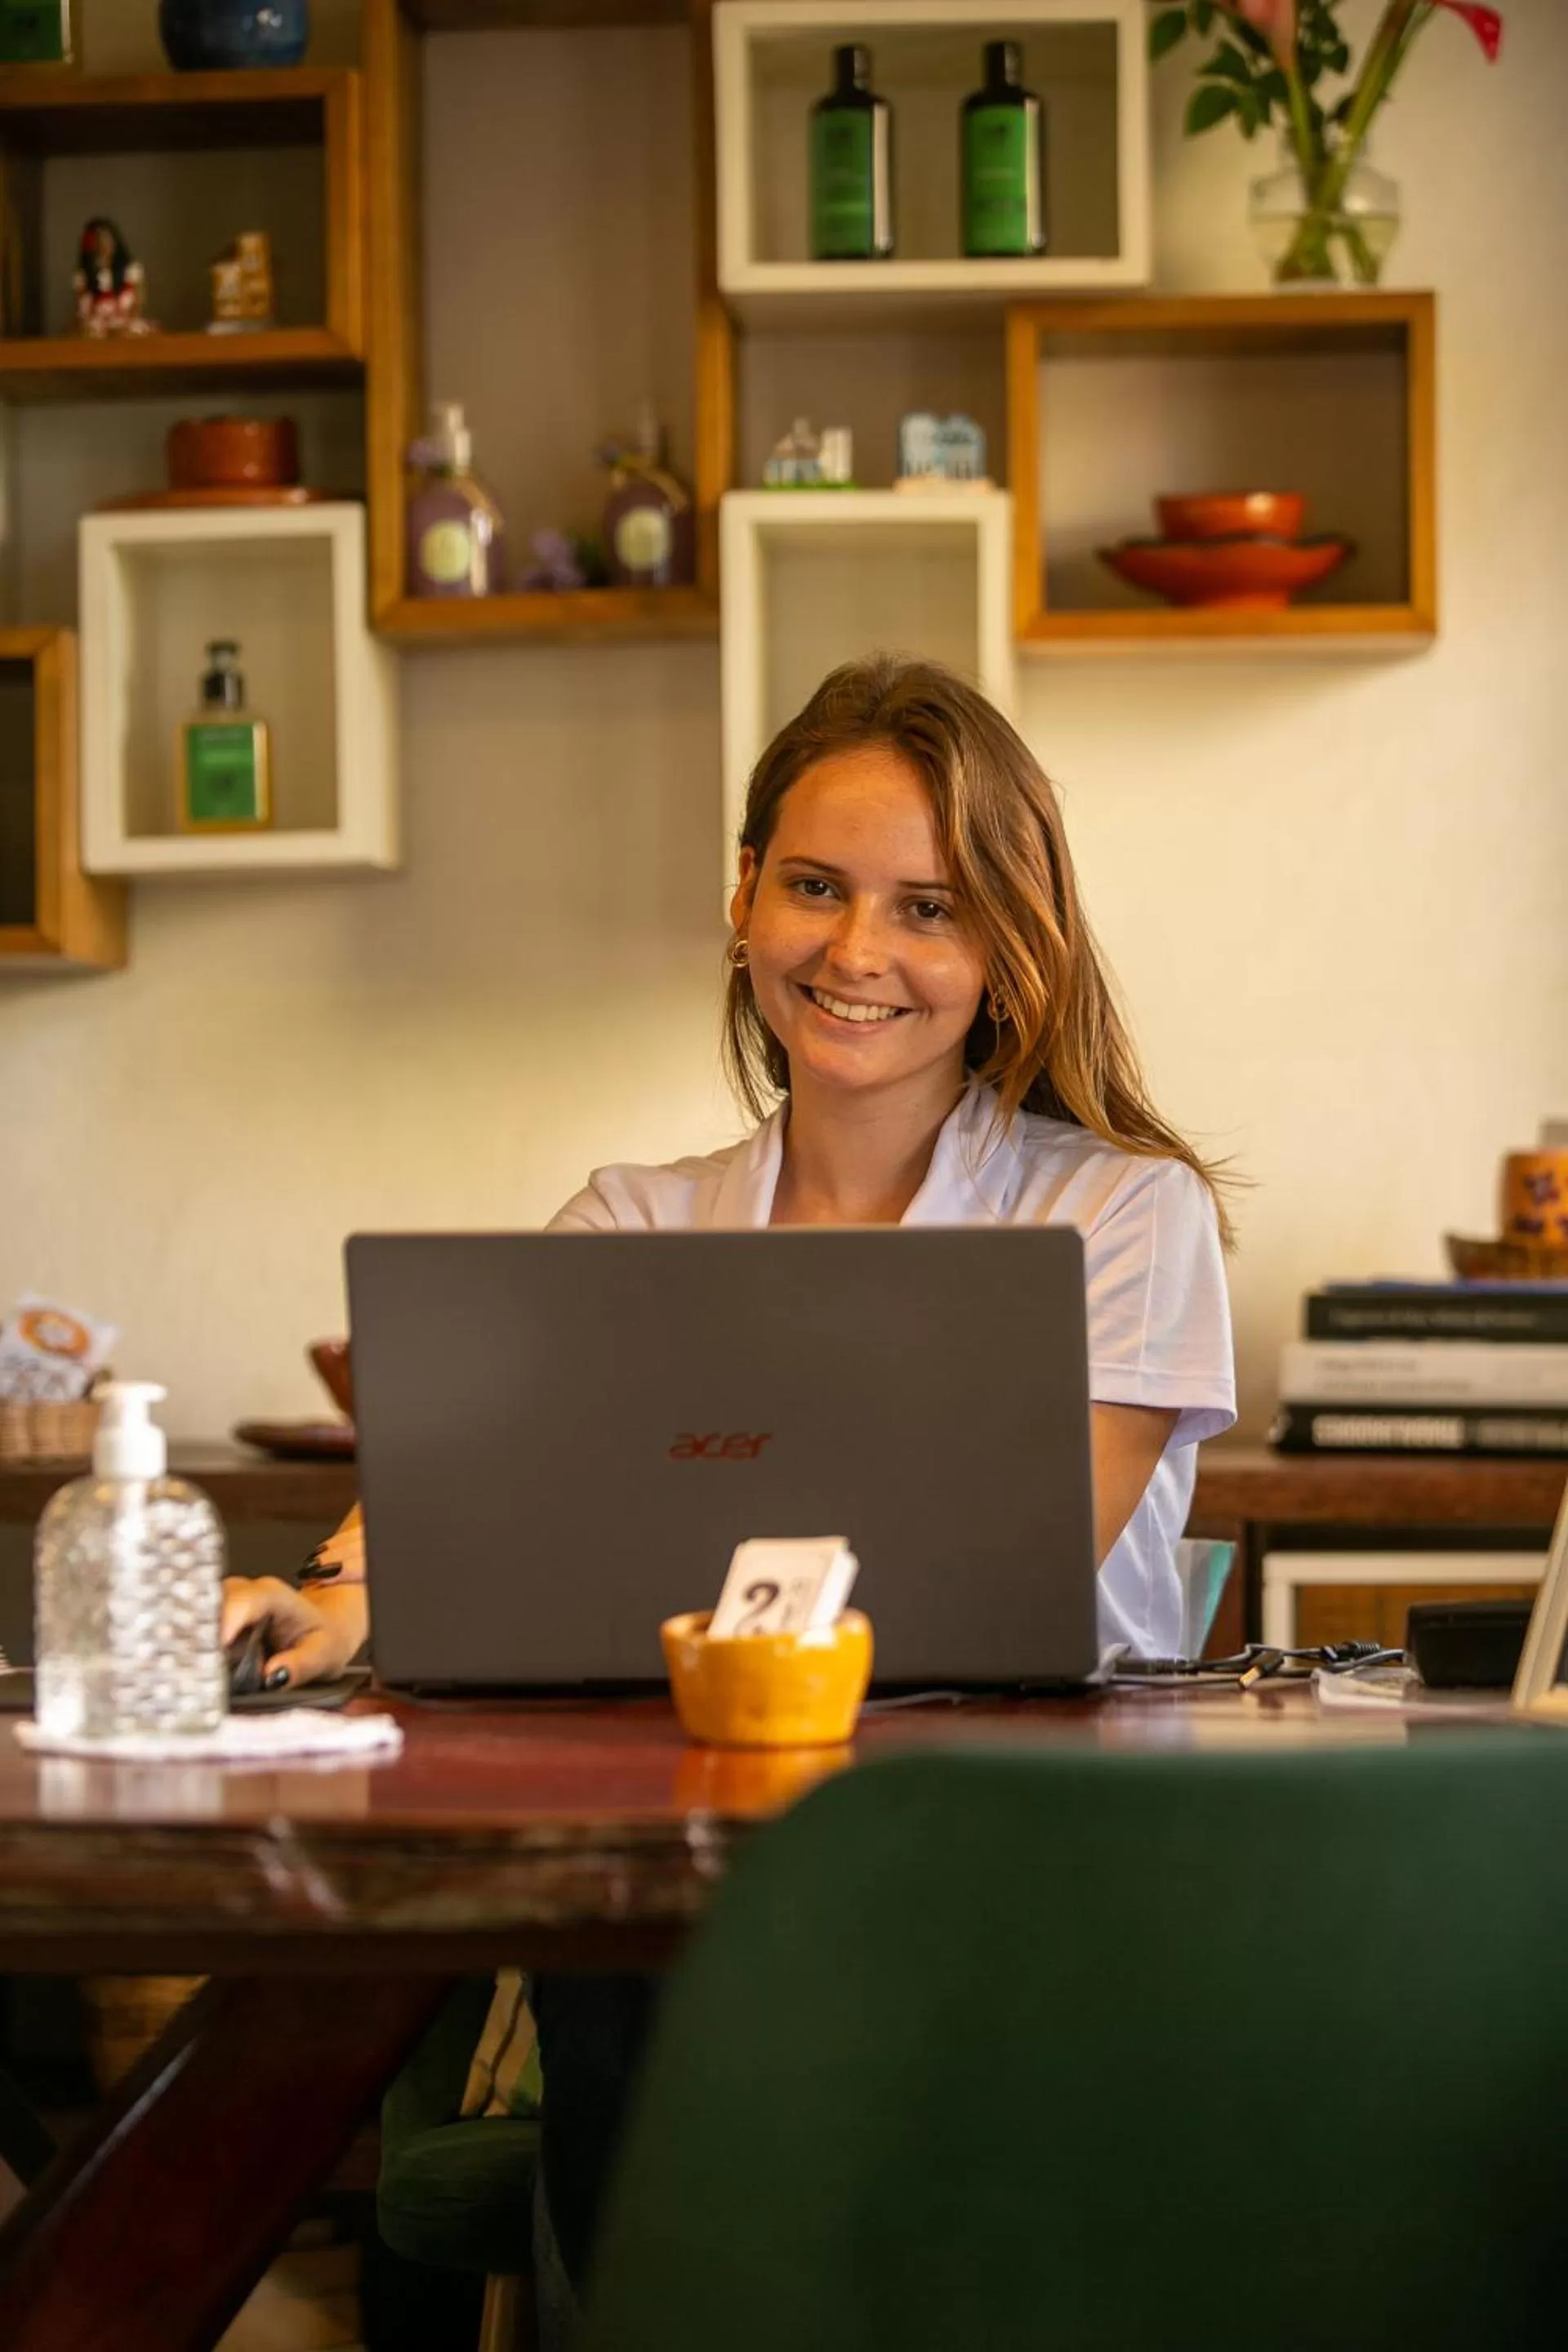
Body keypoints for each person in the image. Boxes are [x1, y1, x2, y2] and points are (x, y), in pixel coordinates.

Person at [220, 653, 1237, 2303]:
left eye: (927, 907)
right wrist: (333, 1594)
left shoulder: (1122, 1217)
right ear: (744, 895)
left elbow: (1029, 1555)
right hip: (677, 1875)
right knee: (637, 2010)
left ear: (1007, 948)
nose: (858, 952)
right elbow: (458, 1501)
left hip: (1022, 1869)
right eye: (817, 888)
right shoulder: (631, 1223)